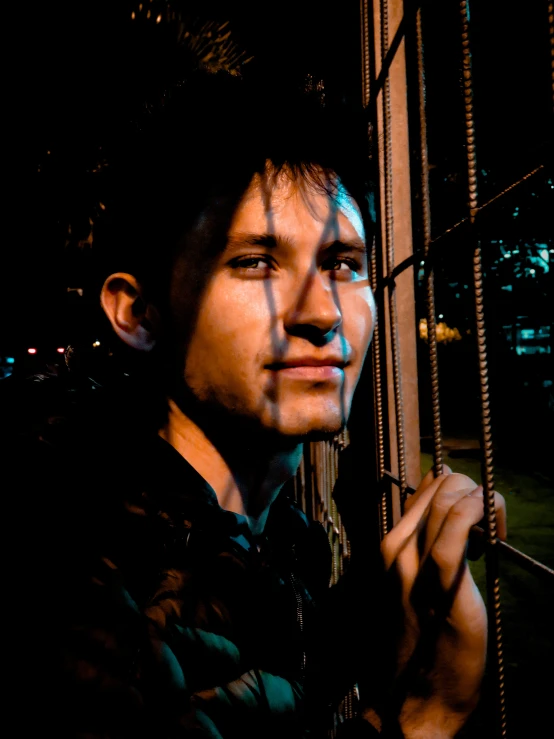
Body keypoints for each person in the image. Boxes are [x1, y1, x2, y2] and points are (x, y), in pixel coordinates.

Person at [2, 72, 506, 738]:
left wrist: (376, 615)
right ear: (140, 311)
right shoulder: (67, 588)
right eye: (255, 262)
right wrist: (425, 718)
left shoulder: (265, 536)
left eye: (343, 261)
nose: (321, 313)